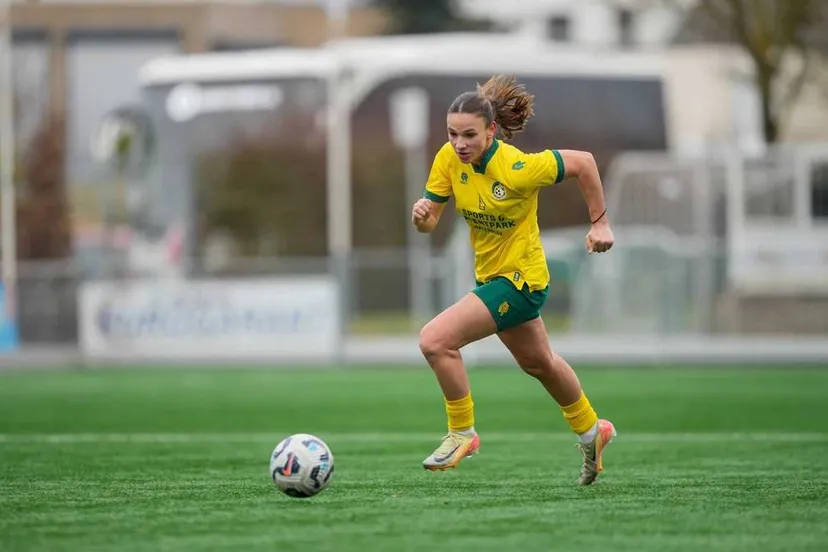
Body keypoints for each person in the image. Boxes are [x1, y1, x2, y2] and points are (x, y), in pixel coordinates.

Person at [411, 75, 616, 486]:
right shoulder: (449, 159)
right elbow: (430, 221)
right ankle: (593, 431)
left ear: (491, 131)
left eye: (469, 134)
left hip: (521, 281)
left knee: (436, 340)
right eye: (452, 134)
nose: (459, 143)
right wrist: (423, 216)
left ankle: (462, 433)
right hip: (493, 279)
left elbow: (585, 163)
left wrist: (600, 224)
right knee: (539, 364)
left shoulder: (519, 167)